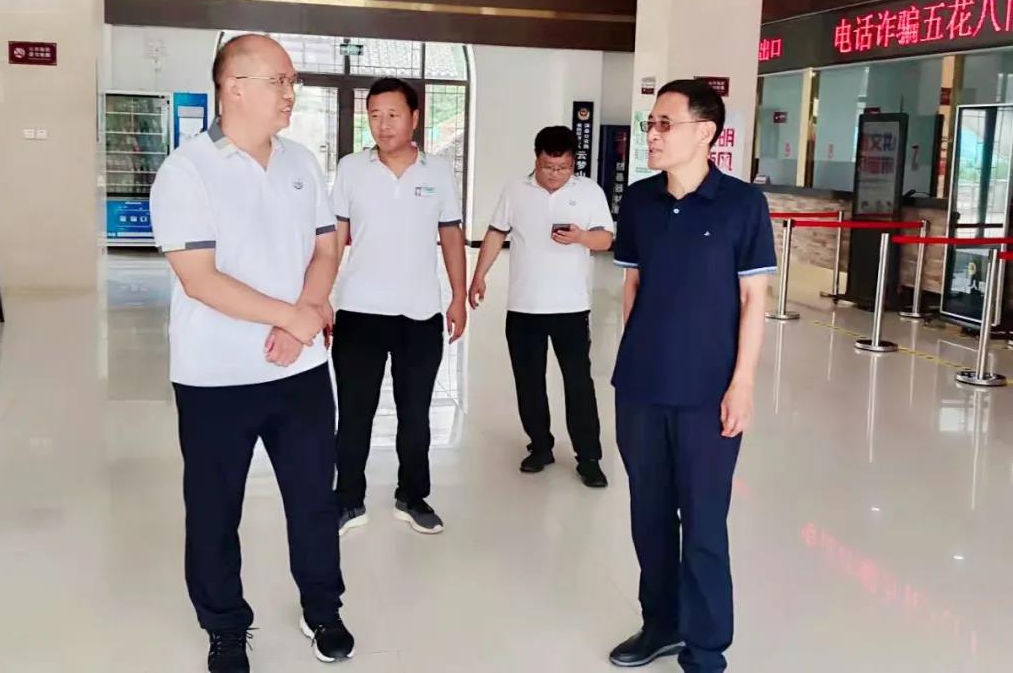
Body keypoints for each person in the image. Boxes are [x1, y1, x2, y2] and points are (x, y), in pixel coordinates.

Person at [150, 34, 354, 672]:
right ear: (234, 87)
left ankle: (322, 607)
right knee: (214, 510)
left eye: (293, 82)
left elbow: (326, 248)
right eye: (280, 81)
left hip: (301, 370)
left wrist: (303, 318)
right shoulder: (186, 171)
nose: (291, 93)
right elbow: (199, 278)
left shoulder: (301, 162)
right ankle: (225, 626)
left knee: (313, 498)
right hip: (215, 375)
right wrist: (289, 316)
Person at [608, 80, 776, 672]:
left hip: (709, 394)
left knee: (703, 522)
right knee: (649, 516)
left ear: (705, 132)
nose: (651, 135)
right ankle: (660, 625)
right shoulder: (638, 201)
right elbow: (632, 286)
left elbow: (754, 299)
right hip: (641, 389)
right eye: (650, 124)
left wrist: (742, 383)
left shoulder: (742, 205)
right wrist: (639, 353)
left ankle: (706, 651)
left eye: (664, 124)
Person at [331, 77, 467, 536]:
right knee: (355, 412)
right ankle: (348, 499)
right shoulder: (351, 168)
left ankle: (412, 496)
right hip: (359, 310)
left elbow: (451, 235)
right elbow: (335, 239)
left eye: (392, 115)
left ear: (414, 118)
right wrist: (319, 299)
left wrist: (458, 297)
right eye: (374, 115)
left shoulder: (438, 172)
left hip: (419, 313)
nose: (383, 124)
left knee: (415, 413)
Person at [468, 125, 614, 487]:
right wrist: (479, 275)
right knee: (529, 382)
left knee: (578, 383)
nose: (554, 174)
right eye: (548, 167)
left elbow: (605, 239)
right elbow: (496, 232)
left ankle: (589, 457)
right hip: (524, 306)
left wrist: (581, 237)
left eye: (563, 168)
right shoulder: (516, 189)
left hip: (571, 307)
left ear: (573, 163)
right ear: (536, 159)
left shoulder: (589, 191)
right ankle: (540, 446)